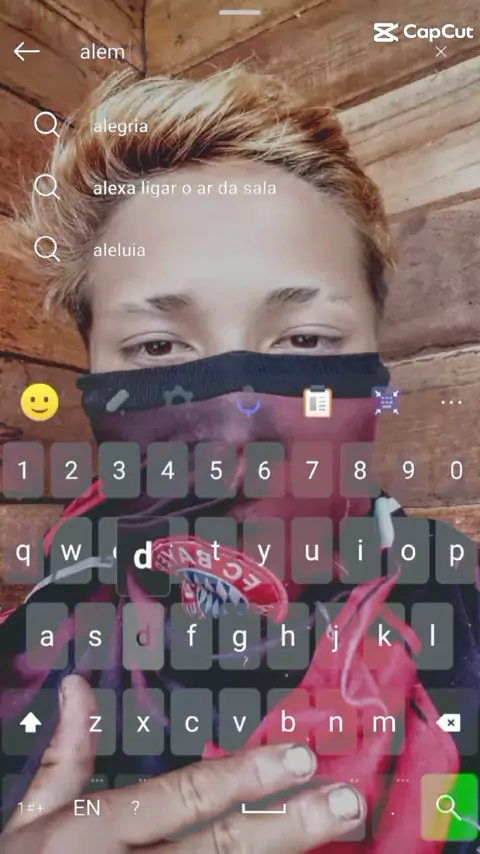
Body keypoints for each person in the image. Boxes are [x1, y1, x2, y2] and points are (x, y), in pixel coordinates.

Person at [0, 67, 478, 854]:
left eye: (305, 341)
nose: (235, 436)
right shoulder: (31, 664)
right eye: (158, 348)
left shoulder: (460, 608)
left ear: (374, 359)